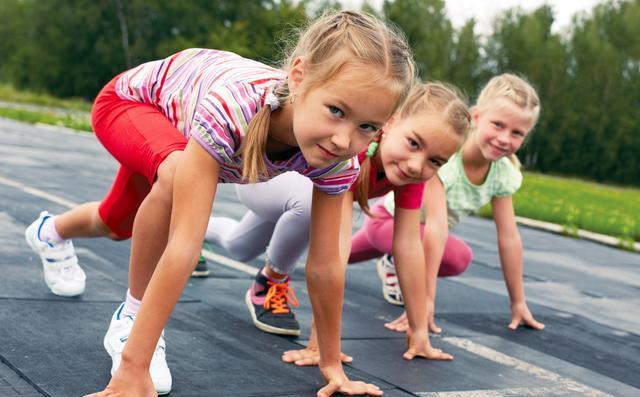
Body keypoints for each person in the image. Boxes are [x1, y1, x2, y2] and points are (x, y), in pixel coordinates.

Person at [25, 11, 415, 397]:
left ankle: (50, 232)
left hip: (174, 135)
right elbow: (184, 245)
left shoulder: (339, 161)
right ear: (298, 78)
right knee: (174, 176)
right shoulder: (235, 109)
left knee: (115, 223)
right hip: (130, 105)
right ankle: (130, 321)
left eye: (366, 127)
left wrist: (329, 361)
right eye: (336, 111)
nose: (344, 140)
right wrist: (134, 366)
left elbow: (327, 264)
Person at [206, 83, 470, 365]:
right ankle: (271, 279)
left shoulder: (410, 174)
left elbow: (408, 246)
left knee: (239, 246)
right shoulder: (353, 150)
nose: (417, 165)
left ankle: (203, 230)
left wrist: (419, 332)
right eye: (414, 143)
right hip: (261, 179)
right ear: (392, 122)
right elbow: (334, 252)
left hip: (291, 197)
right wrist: (320, 345)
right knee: (312, 209)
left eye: (435, 161)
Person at [356, 74, 545, 345]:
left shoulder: (503, 173)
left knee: (458, 257)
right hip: (389, 223)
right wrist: (425, 301)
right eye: (498, 125)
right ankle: (392, 260)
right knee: (334, 256)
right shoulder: (443, 158)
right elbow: (436, 226)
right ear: (477, 117)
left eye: (517, 133)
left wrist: (518, 302)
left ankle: (390, 260)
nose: (505, 138)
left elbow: (509, 238)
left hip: (410, 235)